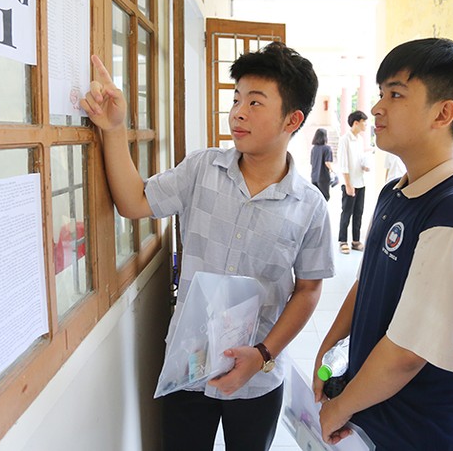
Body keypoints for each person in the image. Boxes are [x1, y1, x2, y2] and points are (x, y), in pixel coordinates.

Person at [80, 42, 335, 451]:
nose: (238, 112)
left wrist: (263, 354)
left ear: (293, 119)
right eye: (236, 99)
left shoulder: (310, 206)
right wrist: (113, 129)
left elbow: (308, 289)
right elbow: (134, 202)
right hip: (188, 366)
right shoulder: (202, 168)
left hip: (258, 377)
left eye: (255, 102)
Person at [316, 38, 453, 449]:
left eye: (396, 94)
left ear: (443, 113)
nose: (377, 107)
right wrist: (328, 348)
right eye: (381, 93)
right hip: (371, 413)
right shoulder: (394, 192)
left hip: (417, 431)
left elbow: (408, 353)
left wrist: (341, 406)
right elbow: (367, 283)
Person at [336, 110, 369, 254]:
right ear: (356, 123)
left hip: (360, 181)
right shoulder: (345, 140)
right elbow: (343, 164)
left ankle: (356, 241)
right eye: (364, 122)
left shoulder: (360, 140)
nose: (366, 125)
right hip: (349, 183)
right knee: (346, 213)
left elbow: (360, 159)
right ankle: (343, 241)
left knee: (359, 213)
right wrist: (348, 185)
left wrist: (364, 166)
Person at [310, 128, 334, 200]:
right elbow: (327, 162)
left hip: (314, 177)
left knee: (316, 199)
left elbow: (311, 163)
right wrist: (333, 171)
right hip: (323, 177)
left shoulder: (313, 149)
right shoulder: (327, 148)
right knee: (324, 198)